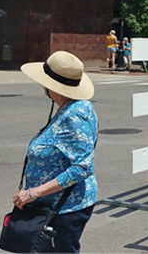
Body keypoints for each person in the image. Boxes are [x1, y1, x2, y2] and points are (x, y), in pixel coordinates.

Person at [16, 51, 98, 253]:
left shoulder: (75, 115)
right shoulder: (71, 107)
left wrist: (34, 193)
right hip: (56, 204)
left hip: (65, 207)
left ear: (52, 86)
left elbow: (82, 167)